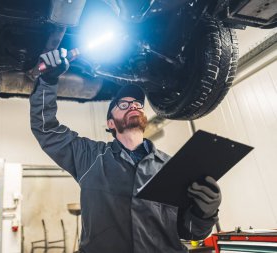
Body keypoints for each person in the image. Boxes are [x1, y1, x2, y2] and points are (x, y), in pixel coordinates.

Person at [30, 49, 222, 253]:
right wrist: (48, 81)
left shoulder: (171, 167)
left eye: (137, 103)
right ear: (110, 123)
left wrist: (205, 213)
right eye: (123, 104)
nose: (133, 106)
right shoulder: (89, 156)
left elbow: (189, 233)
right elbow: (46, 129)